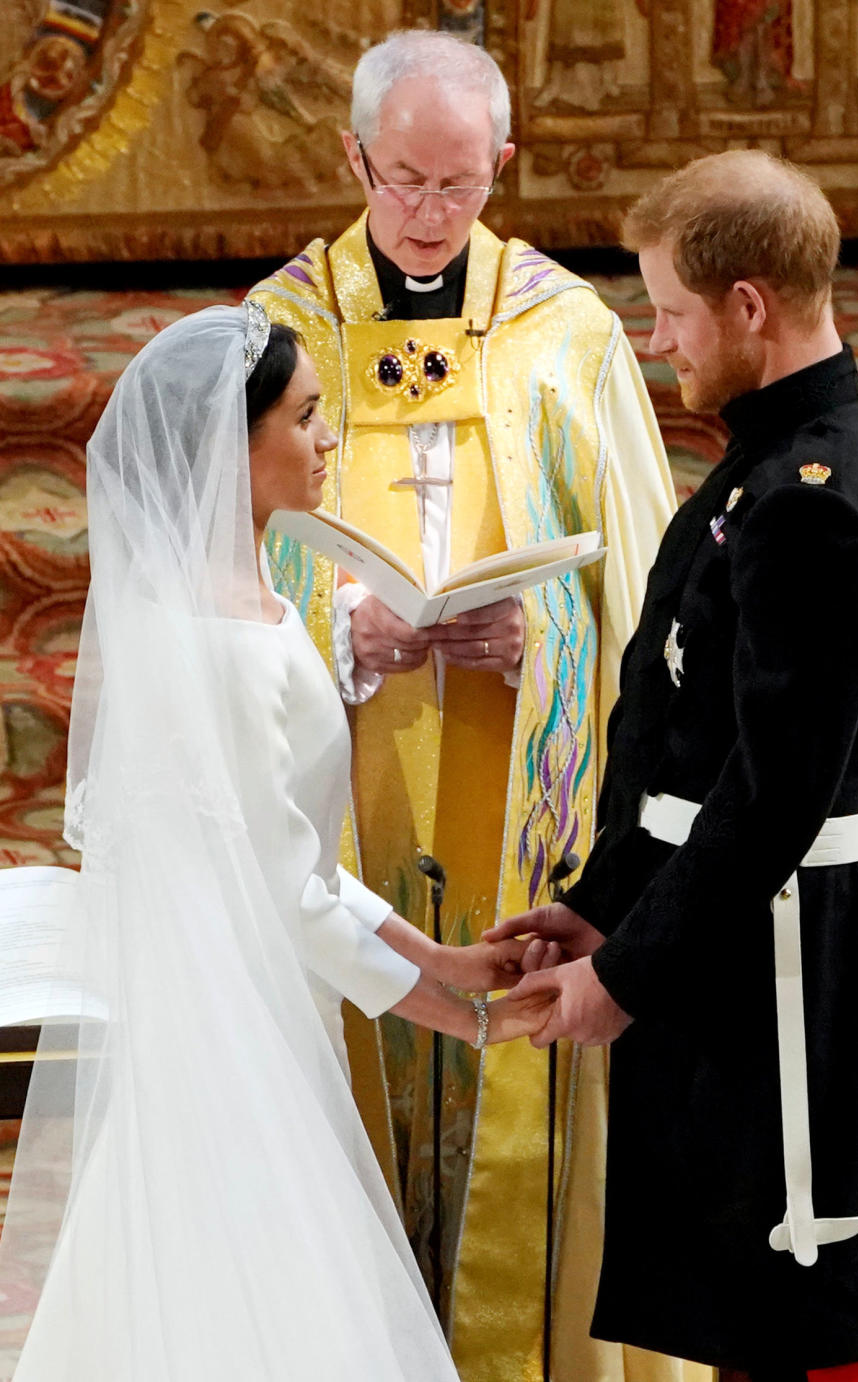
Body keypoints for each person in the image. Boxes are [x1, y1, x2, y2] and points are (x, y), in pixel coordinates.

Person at [0, 303, 553, 1380]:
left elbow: (295, 855)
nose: (328, 439)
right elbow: (285, 898)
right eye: (305, 418)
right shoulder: (217, 642)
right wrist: (461, 1020)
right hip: (232, 1036)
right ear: (233, 445)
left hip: (242, 1012)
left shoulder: (247, 600)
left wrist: (441, 959)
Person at [249, 26, 687, 1382]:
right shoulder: (280, 328)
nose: (430, 218)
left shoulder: (570, 328)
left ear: (502, 164)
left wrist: (544, 628)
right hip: (351, 755)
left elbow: (643, 576)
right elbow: (218, 557)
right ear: (352, 157)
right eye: (402, 184)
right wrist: (343, 626)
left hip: (524, 767)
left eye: (461, 186)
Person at [488, 149, 858, 1380]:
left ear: (749, 306)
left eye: (673, 311)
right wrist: (598, 903)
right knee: (741, 1303)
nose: (658, 338)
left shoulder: (815, 498)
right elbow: (684, 741)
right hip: (723, 932)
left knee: (800, 1302)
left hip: (780, 960)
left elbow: (772, 792)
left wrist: (626, 974)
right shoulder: (770, 456)